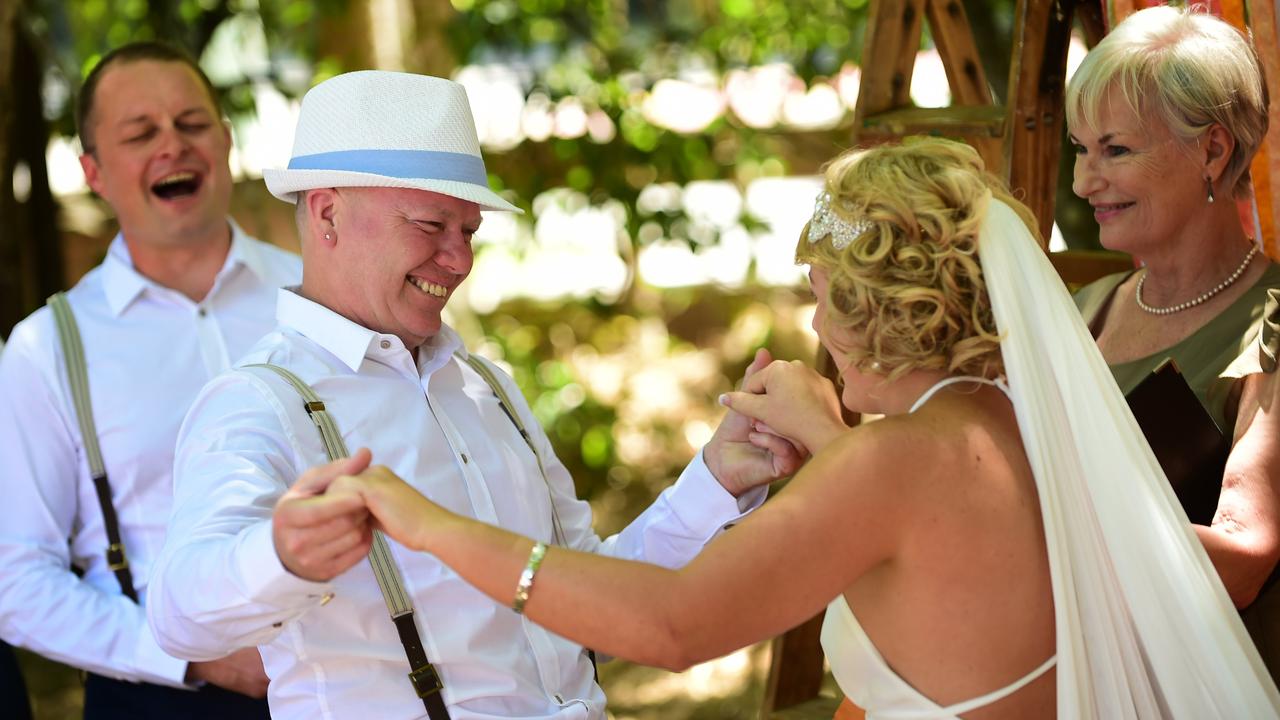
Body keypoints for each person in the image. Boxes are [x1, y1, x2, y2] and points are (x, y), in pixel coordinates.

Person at [332, 138, 1280, 719]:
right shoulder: (1002, 418)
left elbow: (671, 626)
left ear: (883, 310)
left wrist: (430, 526)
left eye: (825, 299)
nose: (816, 329)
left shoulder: (891, 462)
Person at [145, 69, 798, 720]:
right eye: (432, 226)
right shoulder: (259, 401)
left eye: (469, 231)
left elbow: (585, 584)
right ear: (328, 214)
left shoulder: (486, 386)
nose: (460, 260)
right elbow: (178, 619)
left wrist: (716, 479)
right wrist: (279, 556)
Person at [0, 42, 300, 718]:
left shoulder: (316, 297)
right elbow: (15, 578)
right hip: (158, 694)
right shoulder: (45, 350)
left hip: (354, 677)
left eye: (192, 124)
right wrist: (186, 657)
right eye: (141, 133)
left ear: (225, 141)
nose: (174, 145)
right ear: (95, 172)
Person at [1067, 5, 1280, 674]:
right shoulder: (1083, 311)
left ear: (1212, 151)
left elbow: (1243, 561)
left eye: (1115, 149)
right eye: (1080, 149)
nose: (1081, 182)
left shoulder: (1272, 321)